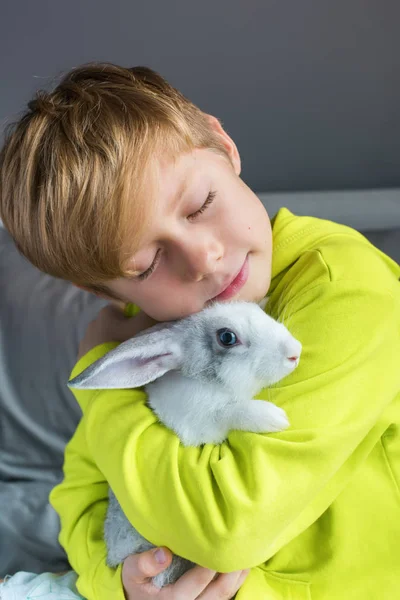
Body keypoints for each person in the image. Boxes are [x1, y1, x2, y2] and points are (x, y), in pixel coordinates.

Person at [0, 62, 399, 600]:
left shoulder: (345, 284)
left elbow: (230, 525)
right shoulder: (157, 340)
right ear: (112, 296)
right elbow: (80, 498)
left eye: (200, 205)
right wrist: (118, 582)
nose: (203, 260)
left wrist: (101, 390)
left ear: (223, 145)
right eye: (146, 266)